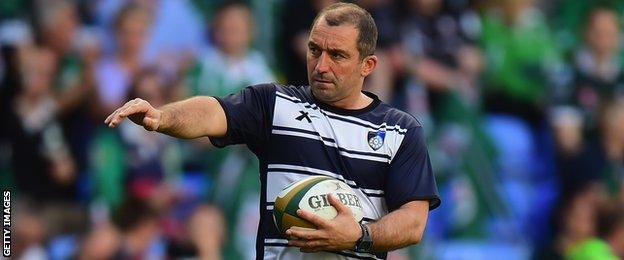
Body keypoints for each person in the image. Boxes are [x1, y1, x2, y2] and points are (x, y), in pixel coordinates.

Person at [105, 3, 440, 259]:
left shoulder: (400, 130)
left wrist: (358, 235)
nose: (321, 65)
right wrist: (162, 116)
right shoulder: (275, 104)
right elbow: (212, 111)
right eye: (314, 50)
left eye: (337, 55)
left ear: (368, 65)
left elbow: (413, 222)